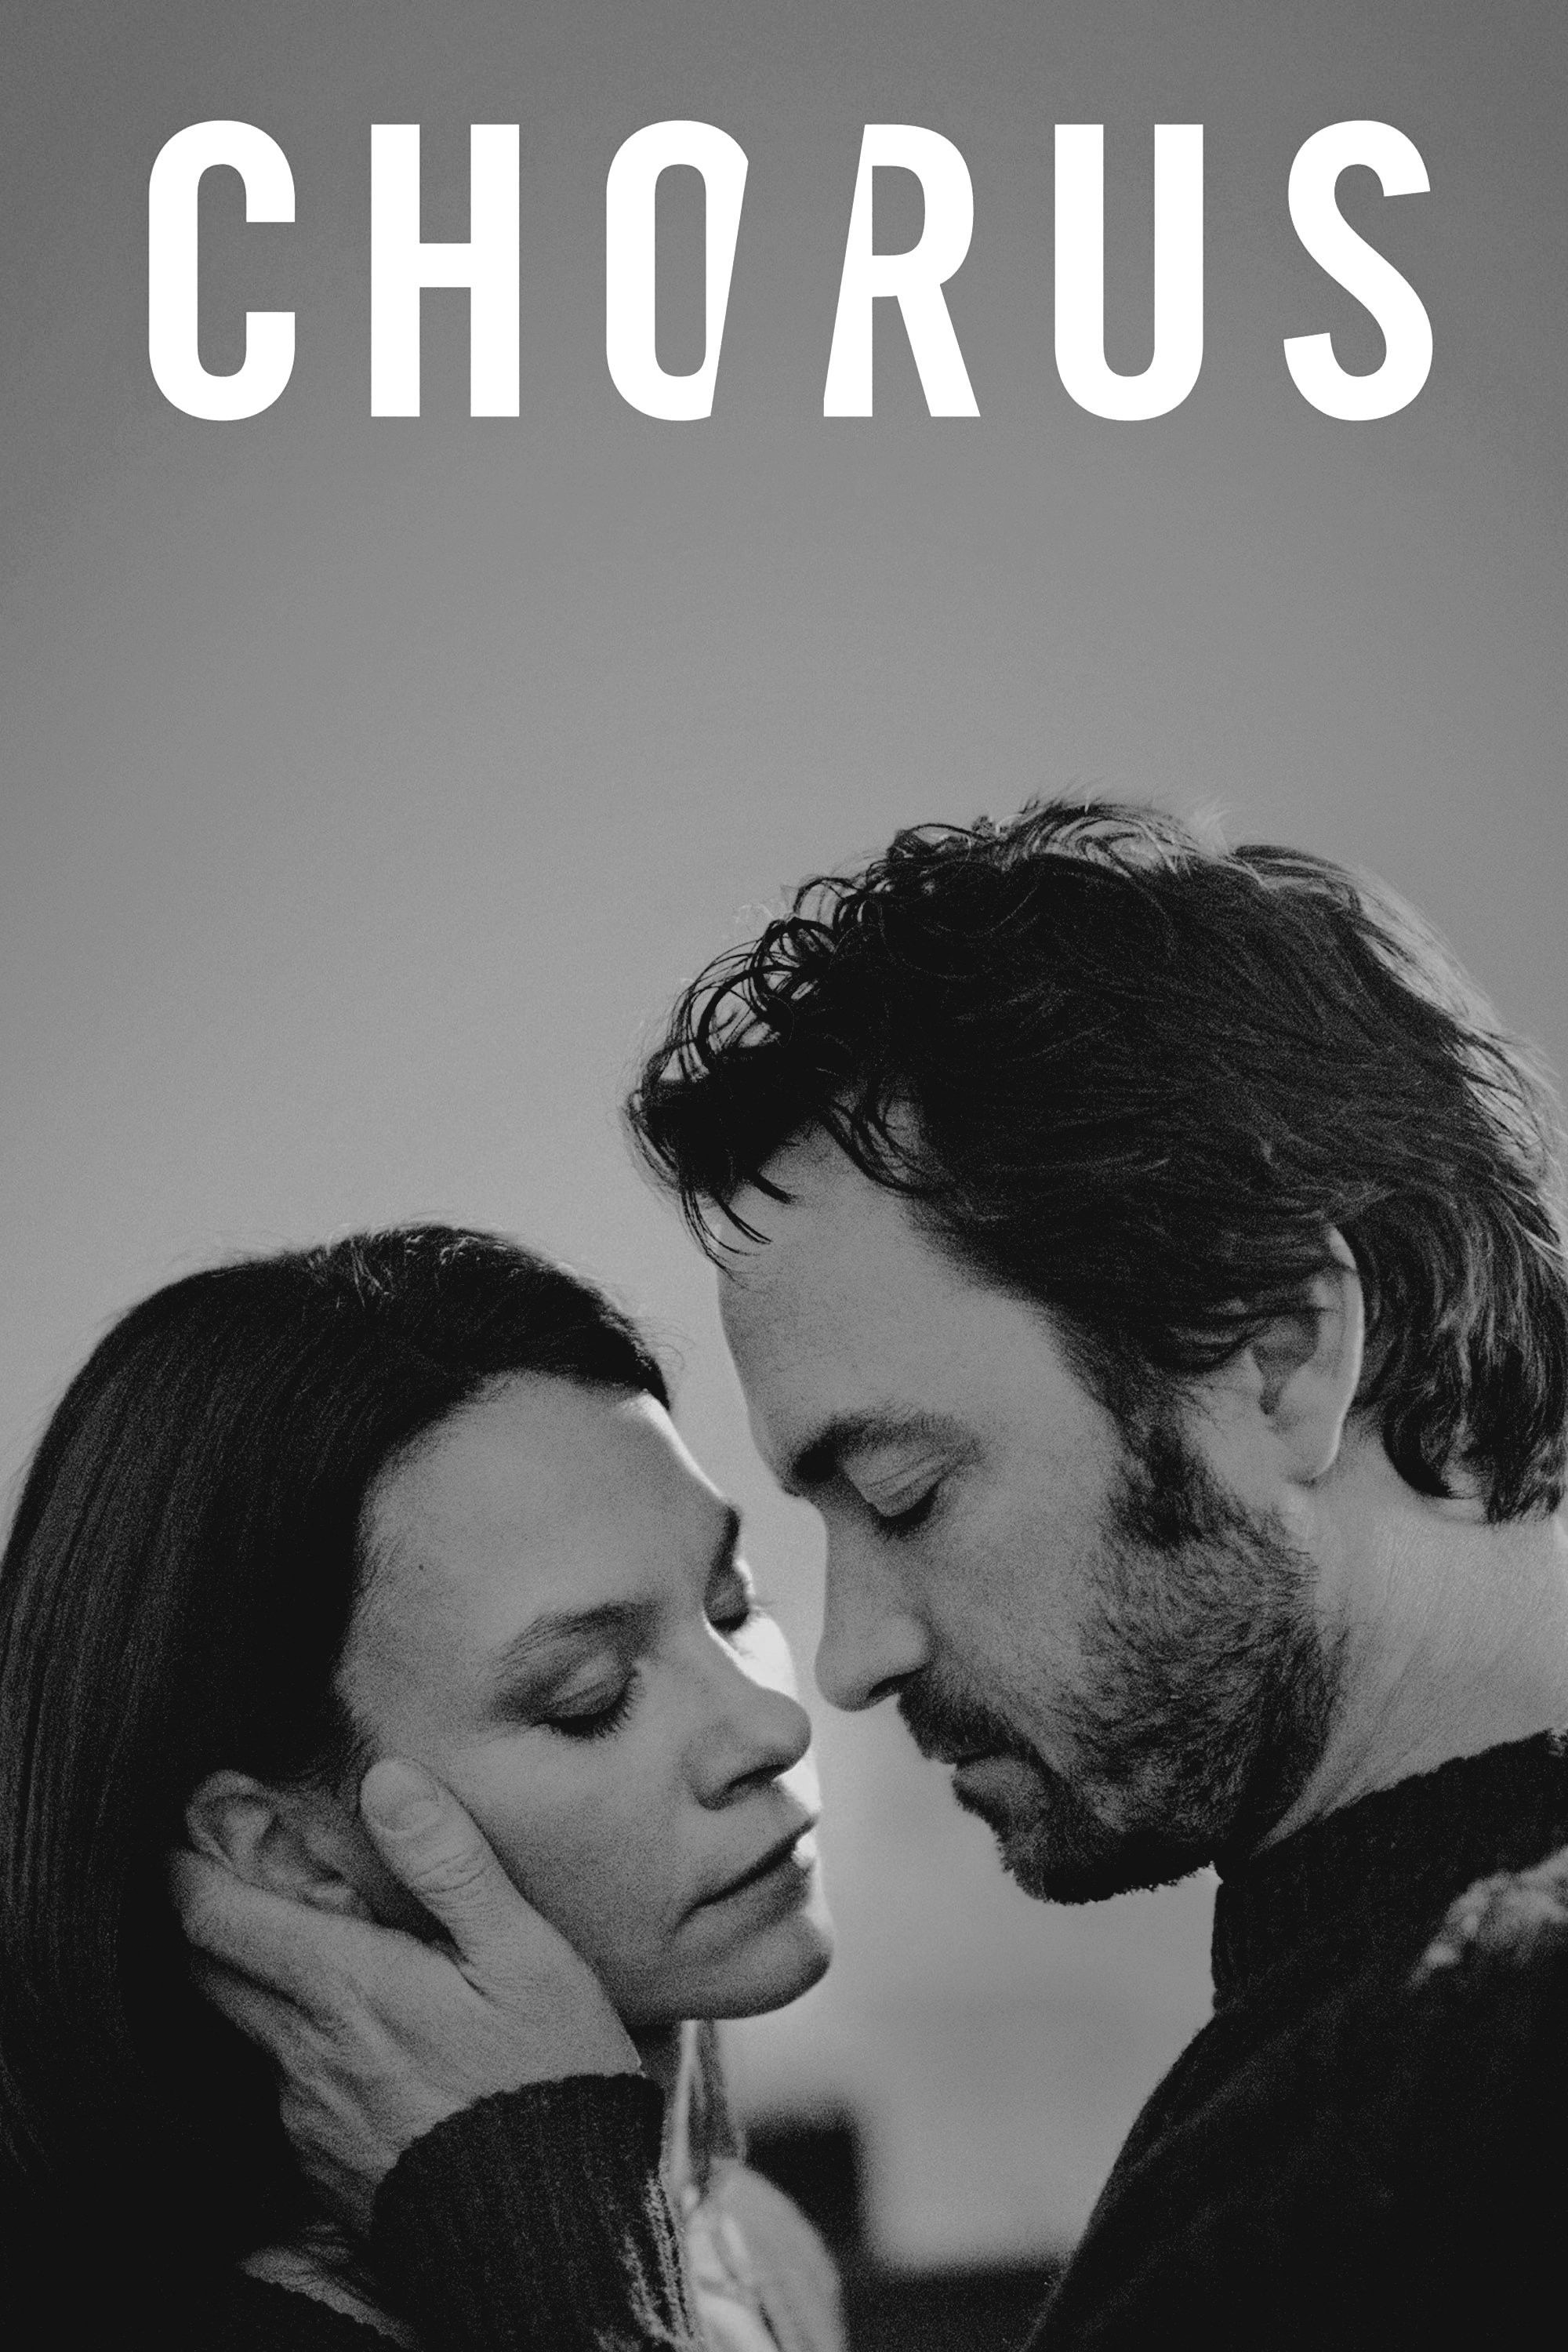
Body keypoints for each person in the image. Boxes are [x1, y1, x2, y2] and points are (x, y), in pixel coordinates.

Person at [180, 800, 1568, 2348]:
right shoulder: (1358, 2067)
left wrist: (553, 2254)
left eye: (908, 1494)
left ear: (1277, 1356)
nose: (841, 1665)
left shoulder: (1479, 2086)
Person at [0, 1224, 839, 2350]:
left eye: (730, 1607)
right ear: (284, 1850)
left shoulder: (758, 2248)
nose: (772, 1727)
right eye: (589, 1698)